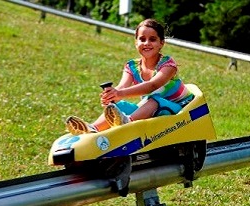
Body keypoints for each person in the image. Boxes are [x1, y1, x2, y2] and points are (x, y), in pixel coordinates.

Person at [66, 18, 194, 135]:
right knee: (118, 105)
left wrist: (119, 93)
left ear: (161, 43)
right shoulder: (132, 66)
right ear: (136, 42)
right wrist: (112, 96)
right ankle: (92, 129)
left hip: (178, 108)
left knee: (154, 99)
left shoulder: (168, 64)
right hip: (152, 109)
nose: (147, 43)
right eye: (142, 39)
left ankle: (127, 123)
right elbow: (122, 87)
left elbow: (152, 85)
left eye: (152, 39)